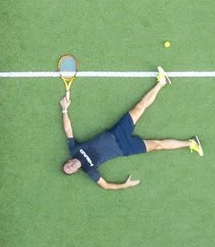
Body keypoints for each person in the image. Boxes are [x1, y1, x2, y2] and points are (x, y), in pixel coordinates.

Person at [62, 69, 201, 189]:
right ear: (75, 171)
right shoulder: (89, 170)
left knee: (140, 106)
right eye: (70, 171)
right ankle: (191, 143)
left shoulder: (74, 149)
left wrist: (64, 110)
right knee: (158, 145)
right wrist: (125, 185)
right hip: (125, 148)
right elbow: (105, 185)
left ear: (68, 161)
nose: (70, 167)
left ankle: (162, 82)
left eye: (67, 166)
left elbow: (68, 130)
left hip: (117, 132)